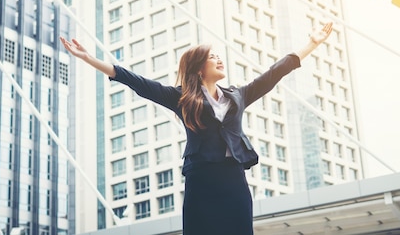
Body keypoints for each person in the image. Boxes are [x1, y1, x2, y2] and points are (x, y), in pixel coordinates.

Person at [59, 21, 333, 235]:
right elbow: (135, 81)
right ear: (199, 68)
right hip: (201, 178)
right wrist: (88, 59)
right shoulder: (180, 98)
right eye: (212, 57)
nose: (219, 59)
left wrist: (311, 44)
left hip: (233, 176)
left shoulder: (238, 95)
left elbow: (275, 72)